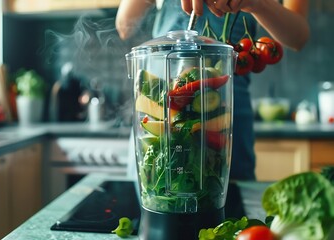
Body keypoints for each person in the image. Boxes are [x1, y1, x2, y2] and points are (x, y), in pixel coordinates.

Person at [116, 0, 309, 180]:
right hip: (159, 104)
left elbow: (298, 37)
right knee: (153, 190)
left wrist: (255, 2)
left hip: (226, 105)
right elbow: (125, 25)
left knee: (227, 202)